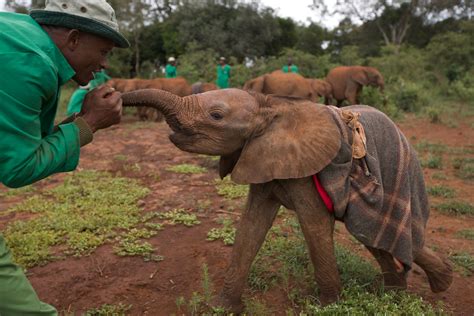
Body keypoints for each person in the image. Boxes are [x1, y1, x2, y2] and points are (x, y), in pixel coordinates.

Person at [0, 0, 129, 314]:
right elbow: (18, 166)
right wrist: (92, 123)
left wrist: (83, 120)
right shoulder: (31, 60)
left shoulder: (20, 36)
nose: (104, 65)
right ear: (73, 38)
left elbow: (28, 141)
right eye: (104, 52)